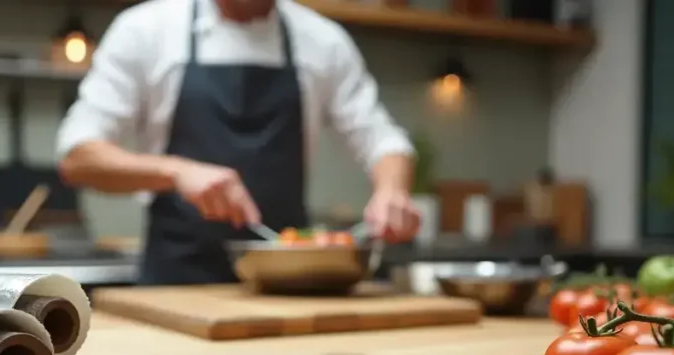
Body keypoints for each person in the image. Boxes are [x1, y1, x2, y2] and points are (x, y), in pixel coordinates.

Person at [57, 0, 421, 285]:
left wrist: (393, 191)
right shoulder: (145, 30)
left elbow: (384, 139)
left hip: (292, 286)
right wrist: (176, 171)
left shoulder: (324, 41)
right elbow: (78, 157)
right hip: (176, 284)